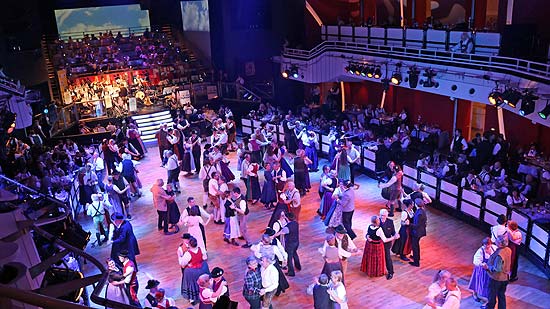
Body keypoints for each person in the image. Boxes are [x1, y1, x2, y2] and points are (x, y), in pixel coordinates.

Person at [181, 236, 210, 305]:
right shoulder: (202, 249)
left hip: (192, 271)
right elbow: (205, 258)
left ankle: (192, 298)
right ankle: (205, 291)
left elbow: (182, 264)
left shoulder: (188, 254)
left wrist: (190, 264)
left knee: (191, 282)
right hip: (202, 268)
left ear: (189, 245)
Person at [468, 237, 497, 306]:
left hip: (490, 270)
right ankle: (474, 294)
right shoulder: (480, 251)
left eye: (488, 245)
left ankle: (488, 298)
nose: (487, 247)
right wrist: (481, 264)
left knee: (489, 284)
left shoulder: (494, 248)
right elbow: (476, 260)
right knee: (477, 281)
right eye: (486, 246)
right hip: (481, 270)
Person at [486, 235, 512, 309]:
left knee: (492, 296)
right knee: (501, 295)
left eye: (497, 240)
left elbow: (497, 268)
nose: (495, 241)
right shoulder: (508, 250)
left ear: (500, 243)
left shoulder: (500, 255)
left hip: (496, 279)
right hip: (505, 278)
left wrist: (488, 267)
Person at [379, 209, 397, 279]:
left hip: (387, 243)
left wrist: (396, 235)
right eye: (381, 215)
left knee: (387, 257)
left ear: (386, 216)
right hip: (378, 243)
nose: (382, 217)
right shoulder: (377, 221)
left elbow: (393, 232)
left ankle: (390, 272)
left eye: (383, 216)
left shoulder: (390, 222)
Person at [282, 212, 301, 277]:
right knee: (295, 253)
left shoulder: (287, 227)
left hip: (290, 244)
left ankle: (291, 272)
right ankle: (298, 266)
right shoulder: (296, 223)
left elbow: (282, 232)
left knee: (289, 258)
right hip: (296, 242)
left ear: (287, 218)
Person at [410, 198, 427, 267]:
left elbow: (416, 225)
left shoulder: (419, 213)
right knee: (416, 245)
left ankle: (416, 262)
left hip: (417, 232)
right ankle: (416, 257)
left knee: (415, 246)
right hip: (420, 231)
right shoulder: (422, 211)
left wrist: (409, 224)